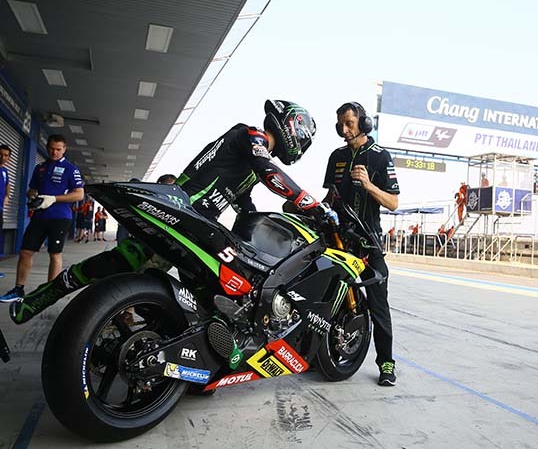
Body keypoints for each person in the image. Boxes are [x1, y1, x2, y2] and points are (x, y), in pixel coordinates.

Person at [6, 100, 335, 324]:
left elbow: (245, 205)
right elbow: (270, 173)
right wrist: (313, 204)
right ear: (293, 128)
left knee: (150, 274)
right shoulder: (250, 136)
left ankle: (188, 347)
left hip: (198, 226)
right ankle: (41, 299)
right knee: (123, 262)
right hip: (183, 212)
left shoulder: (252, 162)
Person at [323, 101, 400, 386]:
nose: (344, 130)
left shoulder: (380, 157)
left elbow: (393, 202)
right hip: (338, 241)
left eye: (349, 123)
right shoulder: (337, 156)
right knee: (329, 300)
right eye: (340, 124)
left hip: (367, 244)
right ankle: (323, 354)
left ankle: (387, 363)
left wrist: (368, 186)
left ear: (364, 124)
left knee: (378, 304)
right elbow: (330, 197)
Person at [0, 135, 84, 303]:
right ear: (47, 148)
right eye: (52, 148)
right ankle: (18, 289)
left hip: (60, 217)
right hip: (39, 216)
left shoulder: (71, 168)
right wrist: (34, 195)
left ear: (64, 149)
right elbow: (31, 190)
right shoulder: (40, 168)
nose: (55, 152)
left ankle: (48, 293)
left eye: (58, 149)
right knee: (25, 252)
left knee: (55, 254)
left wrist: (54, 198)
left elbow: (79, 194)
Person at [0, 145, 12, 276]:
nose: (2, 157)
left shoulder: (5, 171)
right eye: (0, 154)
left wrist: (7, 196)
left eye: (6, 155)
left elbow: (7, 184)